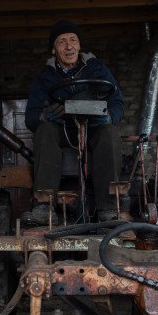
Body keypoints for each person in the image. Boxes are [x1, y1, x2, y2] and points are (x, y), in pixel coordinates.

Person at [23, 20, 124, 224]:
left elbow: (117, 101)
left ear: (79, 45)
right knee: (44, 130)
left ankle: (108, 208)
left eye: (73, 40)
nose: (68, 46)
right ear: (53, 49)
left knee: (110, 132)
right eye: (62, 42)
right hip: (63, 129)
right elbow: (30, 117)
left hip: (94, 127)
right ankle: (43, 205)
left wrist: (110, 116)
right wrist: (44, 116)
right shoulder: (45, 77)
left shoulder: (97, 68)